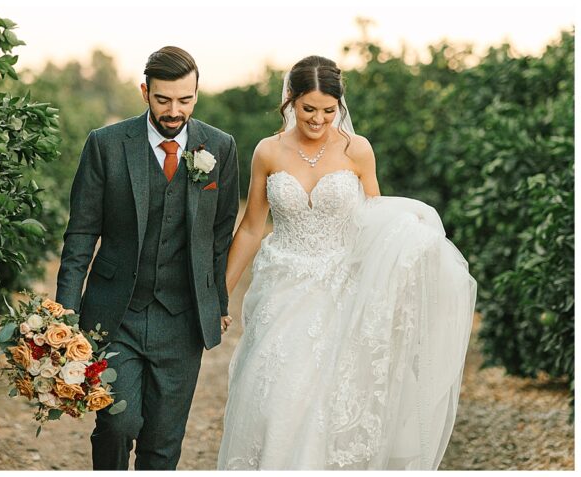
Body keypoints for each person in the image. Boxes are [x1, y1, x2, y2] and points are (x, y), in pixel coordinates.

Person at [216, 56, 476, 470]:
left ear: (340, 106)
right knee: (274, 396)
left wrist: (413, 243)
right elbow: (250, 228)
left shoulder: (358, 150)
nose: (318, 120)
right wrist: (220, 296)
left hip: (340, 291)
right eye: (308, 109)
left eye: (328, 110)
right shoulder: (267, 152)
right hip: (282, 291)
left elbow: (374, 219)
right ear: (289, 101)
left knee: (328, 401)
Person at [55, 46, 240, 470]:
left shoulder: (221, 148)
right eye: (163, 99)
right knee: (118, 426)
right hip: (116, 314)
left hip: (183, 319)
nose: (175, 110)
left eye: (185, 99)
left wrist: (221, 302)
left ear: (197, 93)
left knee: (163, 443)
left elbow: (219, 234)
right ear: (144, 92)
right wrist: (64, 312)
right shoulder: (105, 144)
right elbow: (82, 232)